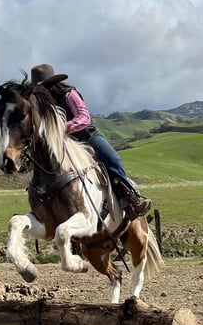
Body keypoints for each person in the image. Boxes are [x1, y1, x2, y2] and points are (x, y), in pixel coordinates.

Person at [30, 63, 152, 219]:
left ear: (51, 85)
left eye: (42, 88)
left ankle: (131, 197)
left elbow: (83, 117)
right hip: (66, 145)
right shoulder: (44, 106)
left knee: (112, 160)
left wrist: (60, 128)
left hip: (88, 137)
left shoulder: (69, 94)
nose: (40, 92)